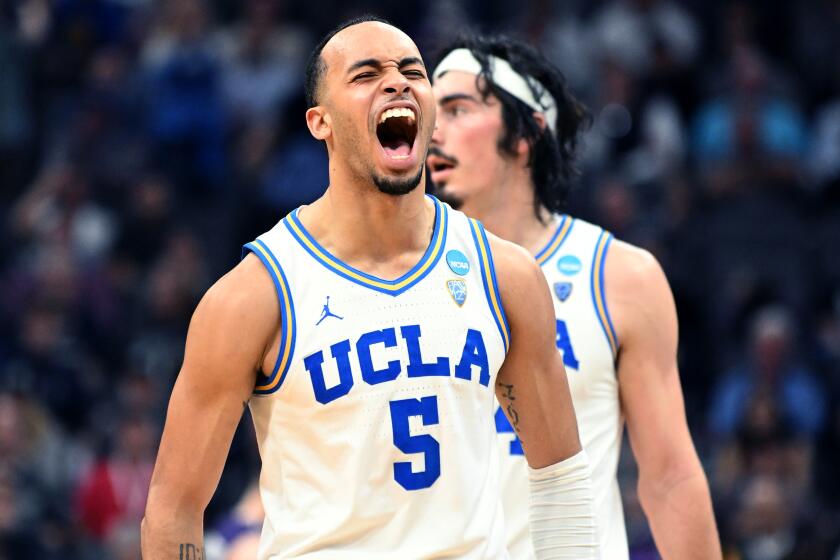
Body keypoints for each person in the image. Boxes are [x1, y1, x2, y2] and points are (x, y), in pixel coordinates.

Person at [142, 17, 599, 559]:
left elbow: (561, 482)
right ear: (320, 123)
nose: (398, 82)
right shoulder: (255, 294)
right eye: (366, 74)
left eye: (413, 71)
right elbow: (174, 511)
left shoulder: (505, 276)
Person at [428, 34, 721, 559]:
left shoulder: (619, 275)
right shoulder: (384, 278)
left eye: (457, 109)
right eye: (431, 111)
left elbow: (669, 477)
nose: (432, 130)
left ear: (526, 135)